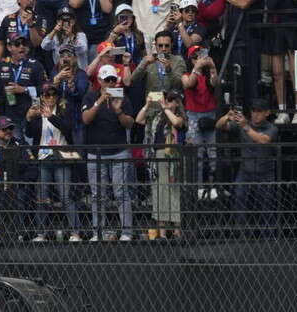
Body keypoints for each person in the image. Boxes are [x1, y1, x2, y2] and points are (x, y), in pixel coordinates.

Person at [81, 64, 138, 241]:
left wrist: (118, 110)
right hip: (96, 153)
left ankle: (127, 232)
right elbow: (85, 119)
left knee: (121, 193)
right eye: (107, 80)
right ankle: (98, 231)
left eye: (113, 80)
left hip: (119, 151)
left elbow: (130, 124)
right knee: (98, 194)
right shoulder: (90, 97)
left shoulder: (123, 98)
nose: (111, 83)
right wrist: (99, 102)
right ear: (99, 81)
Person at [25, 83, 81, 241]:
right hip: (43, 158)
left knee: (66, 196)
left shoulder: (63, 110)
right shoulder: (36, 112)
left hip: (62, 157)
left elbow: (68, 128)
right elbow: (30, 133)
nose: (50, 98)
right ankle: (40, 233)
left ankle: (75, 232)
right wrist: (28, 118)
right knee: (41, 197)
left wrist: (51, 117)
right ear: (42, 97)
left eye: (53, 95)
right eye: (47, 95)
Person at [0, 34, 46, 138]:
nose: (21, 47)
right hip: (10, 115)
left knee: (30, 148)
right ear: (9, 47)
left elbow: (44, 88)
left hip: (30, 112)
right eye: (17, 44)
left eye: (24, 44)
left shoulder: (35, 65)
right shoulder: (1, 64)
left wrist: (24, 89)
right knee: (15, 147)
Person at [215, 98, 278, 221]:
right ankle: (242, 234)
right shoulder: (244, 124)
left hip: (265, 174)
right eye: (254, 111)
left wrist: (245, 126)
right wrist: (227, 117)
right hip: (245, 172)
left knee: (267, 206)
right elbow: (219, 126)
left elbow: (263, 140)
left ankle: (269, 237)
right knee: (239, 200)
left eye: (259, 111)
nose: (256, 114)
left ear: (267, 113)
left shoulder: (272, 128)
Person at [262, 0, 297, 124]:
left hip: (293, 28)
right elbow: (270, 4)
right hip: (275, 29)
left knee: (295, 72)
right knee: (278, 73)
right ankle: (282, 110)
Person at [141, 88, 186, 239]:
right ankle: (163, 231)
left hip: (172, 156)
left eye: (172, 100)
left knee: (173, 192)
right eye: (167, 99)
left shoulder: (180, 116)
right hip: (157, 156)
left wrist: (166, 108)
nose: (168, 102)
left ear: (178, 103)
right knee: (159, 192)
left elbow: (177, 123)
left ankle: (177, 229)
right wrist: (147, 105)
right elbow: (139, 120)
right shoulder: (157, 116)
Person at [181, 45, 220, 198]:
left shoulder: (208, 72)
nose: (199, 59)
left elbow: (215, 83)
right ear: (190, 60)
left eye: (200, 55)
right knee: (197, 152)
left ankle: (213, 186)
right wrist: (197, 67)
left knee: (213, 152)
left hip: (210, 113)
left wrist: (212, 67)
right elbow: (188, 84)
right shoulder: (186, 74)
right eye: (195, 57)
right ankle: (198, 187)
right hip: (193, 115)